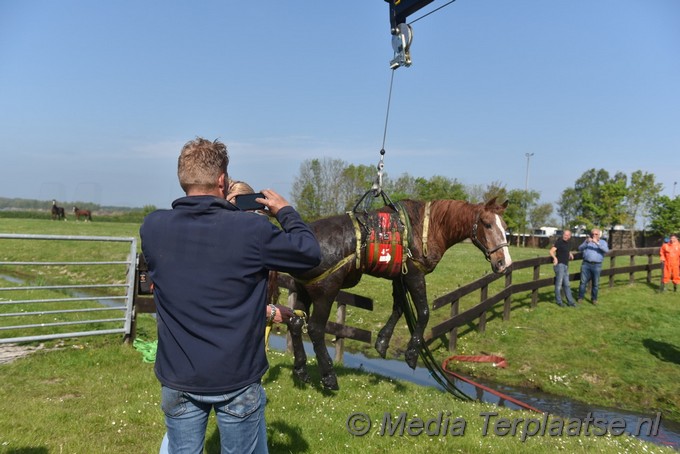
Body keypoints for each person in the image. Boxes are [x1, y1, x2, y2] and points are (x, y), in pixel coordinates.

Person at [140, 137, 321, 454]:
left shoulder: (153, 228)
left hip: (178, 377)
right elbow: (309, 253)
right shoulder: (252, 231)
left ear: (183, 179)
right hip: (236, 379)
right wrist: (286, 211)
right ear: (222, 180)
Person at [577, 228, 609, 305]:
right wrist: (586, 243)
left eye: (596, 234)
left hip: (597, 265)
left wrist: (597, 243)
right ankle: (580, 298)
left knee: (595, 283)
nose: (594, 235)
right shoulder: (587, 241)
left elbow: (606, 250)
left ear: (599, 235)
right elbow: (579, 248)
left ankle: (594, 299)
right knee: (583, 282)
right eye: (593, 234)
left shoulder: (603, 242)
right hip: (586, 264)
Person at [549, 229, 576, 307]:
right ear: (563, 235)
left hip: (565, 265)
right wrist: (555, 258)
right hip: (560, 265)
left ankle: (570, 302)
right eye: (565, 235)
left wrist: (570, 254)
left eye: (568, 235)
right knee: (559, 285)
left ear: (570, 236)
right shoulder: (559, 242)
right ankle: (559, 301)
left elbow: (565, 250)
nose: (566, 236)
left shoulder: (568, 243)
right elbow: (551, 251)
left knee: (567, 285)